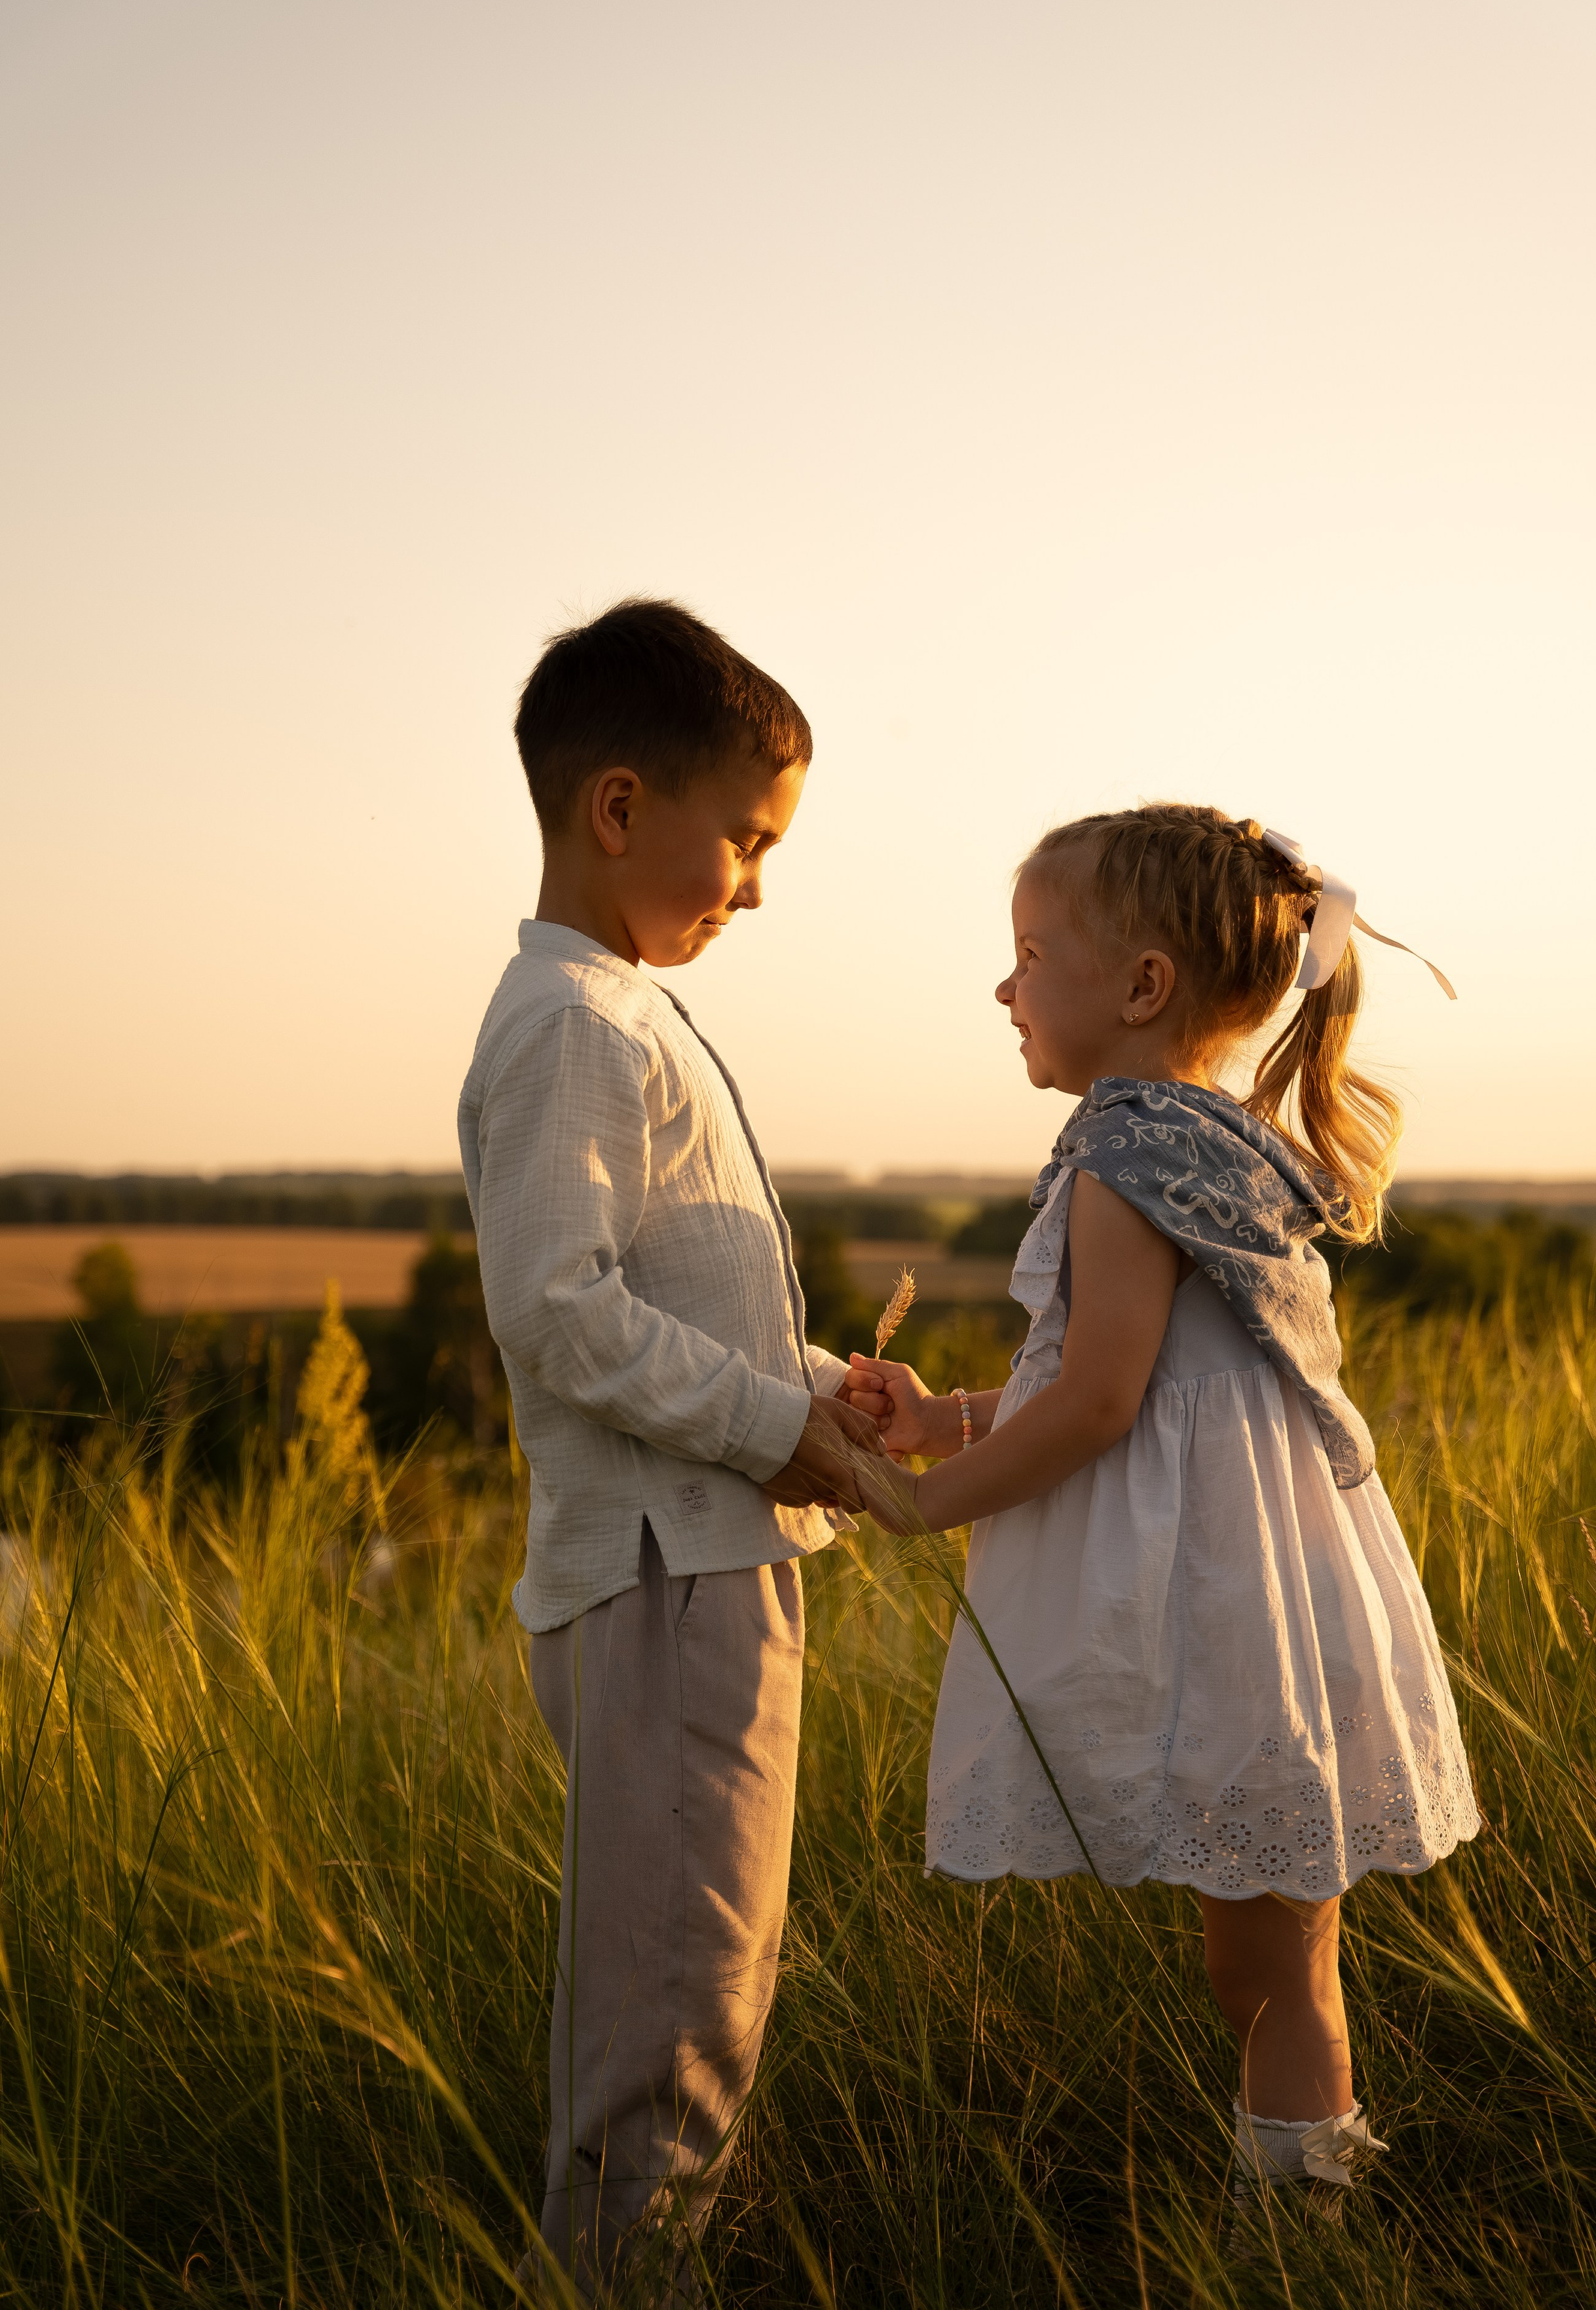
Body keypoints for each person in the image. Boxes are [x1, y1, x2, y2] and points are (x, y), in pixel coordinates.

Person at [842, 804, 1479, 2202]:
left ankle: (1306, 2223)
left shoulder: (1123, 1153)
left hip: (1216, 1601)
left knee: (1260, 1969)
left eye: (1025, 955)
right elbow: (1135, 1379)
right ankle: (1314, 2194)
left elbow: (1099, 1405)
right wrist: (946, 1411)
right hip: (1262, 1586)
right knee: (1273, 1958)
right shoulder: (1210, 1146)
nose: (1001, 989)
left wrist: (919, 1501)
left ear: (1139, 988)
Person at [458, 599, 883, 2301]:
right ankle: (632, 2280)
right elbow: (558, 1313)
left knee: (705, 1979)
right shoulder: (571, 1020)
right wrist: (783, 1425)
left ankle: (659, 2260)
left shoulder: (618, 1009)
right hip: (663, 1588)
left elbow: (661, 1294)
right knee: (670, 2015)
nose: (759, 886)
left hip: (706, 1571)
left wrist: (828, 1388)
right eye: (747, 841)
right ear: (619, 809)